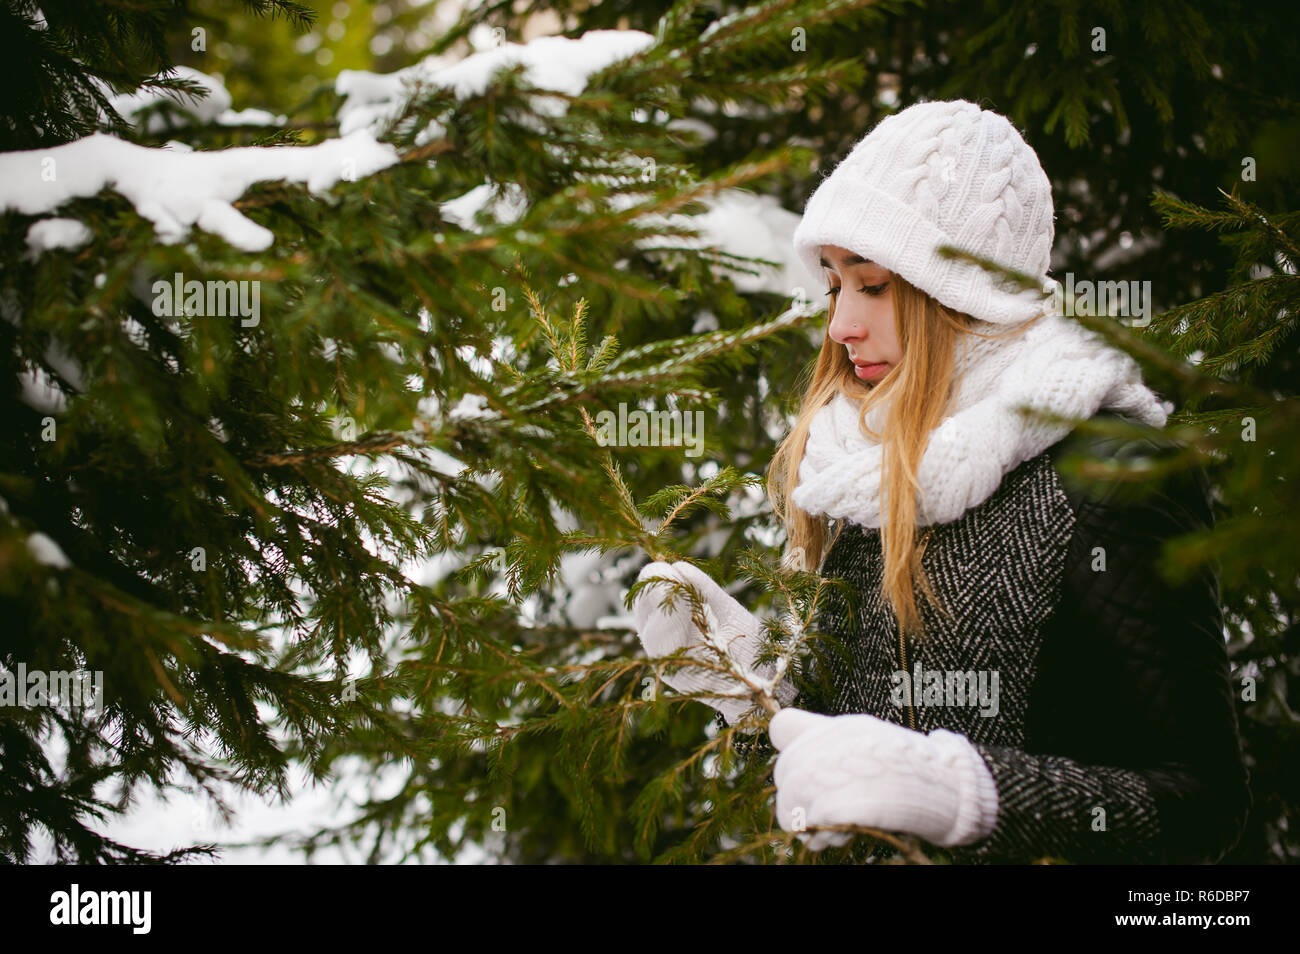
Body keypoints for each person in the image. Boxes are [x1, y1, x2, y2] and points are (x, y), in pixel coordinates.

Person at [631, 99, 1251, 864]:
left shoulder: (1109, 471)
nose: (839, 327)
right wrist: (747, 691)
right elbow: (851, 765)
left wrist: (966, 795)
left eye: (875, 285)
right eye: (834, 286)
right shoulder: (860, 465)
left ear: (961, 293)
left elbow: (1202, 805)